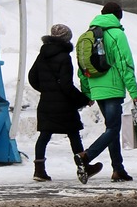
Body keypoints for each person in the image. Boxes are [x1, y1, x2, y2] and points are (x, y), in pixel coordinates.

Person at [27, 24, 101, 184]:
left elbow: (32, 77)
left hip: (46, 103)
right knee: (73, 134)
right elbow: (66, 86)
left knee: (44, 136)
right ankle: (84, 167)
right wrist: (83, 99)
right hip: (64, 105)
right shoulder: (64, 57)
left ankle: (39, 170)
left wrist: (47, 89)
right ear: (67, 39)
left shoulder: (42, 54)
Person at [79, 2, 137, 183]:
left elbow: (82, 66)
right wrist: (133, 90)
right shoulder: (117, 34)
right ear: (118, 16)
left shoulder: (88, 35)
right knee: (113, 128)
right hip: (113, 89)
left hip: (97, 89)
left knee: (111, 128)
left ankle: (118, 169)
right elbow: (125, 64)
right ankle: (86, 156)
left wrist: (87, 91)